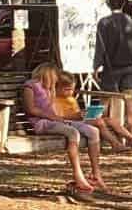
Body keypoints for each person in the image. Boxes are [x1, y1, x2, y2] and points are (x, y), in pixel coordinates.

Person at [22, 63, 105, 196]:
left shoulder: (50, 89)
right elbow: (30, 109)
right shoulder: (30, 86)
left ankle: (96, 174)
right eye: (55, 76)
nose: (56, 80)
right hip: (42, 123)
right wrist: (52, 116)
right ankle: (78, 175)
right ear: (48, 73)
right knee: (73, 133)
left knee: (93, 131)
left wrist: (77, 116)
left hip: (55, 121)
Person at [93, 0, 132, 139]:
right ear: (124, 3)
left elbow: (100, 47)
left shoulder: (104, 22)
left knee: (103, 101)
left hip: (111, 68)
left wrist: (96, 66)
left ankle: (95, 130)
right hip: (130, 68)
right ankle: (131, 136)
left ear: (108, 4)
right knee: (130, 103)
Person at [53, 71, 132, 150]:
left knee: (111, 120)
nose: (70, 92)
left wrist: (85, 113)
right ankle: (115, 144)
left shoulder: (71, 99)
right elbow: (60, 118)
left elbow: (77, 112)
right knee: (99, 122)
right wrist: (78, 115)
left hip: (80, 119)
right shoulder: (55, 100)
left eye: (72, 89)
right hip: (70, 123)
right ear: (56, 88)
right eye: (67, 89)